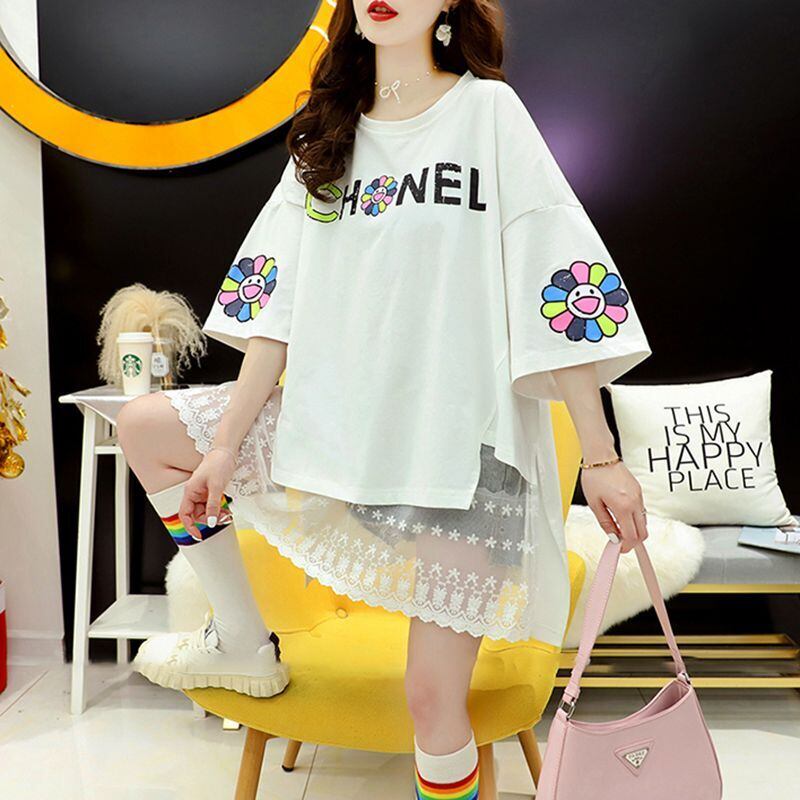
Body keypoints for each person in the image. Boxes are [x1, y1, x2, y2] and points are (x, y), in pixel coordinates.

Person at [116, 1, 653, 795]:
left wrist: (601, 457)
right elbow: (276, 311)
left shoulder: (488, 113)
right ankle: (242, 640)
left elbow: (554, 278)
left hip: (460, 456)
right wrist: (225, 446)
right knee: (145, 424)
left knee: (432, 701)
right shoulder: (328, 132)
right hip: (338, 433)